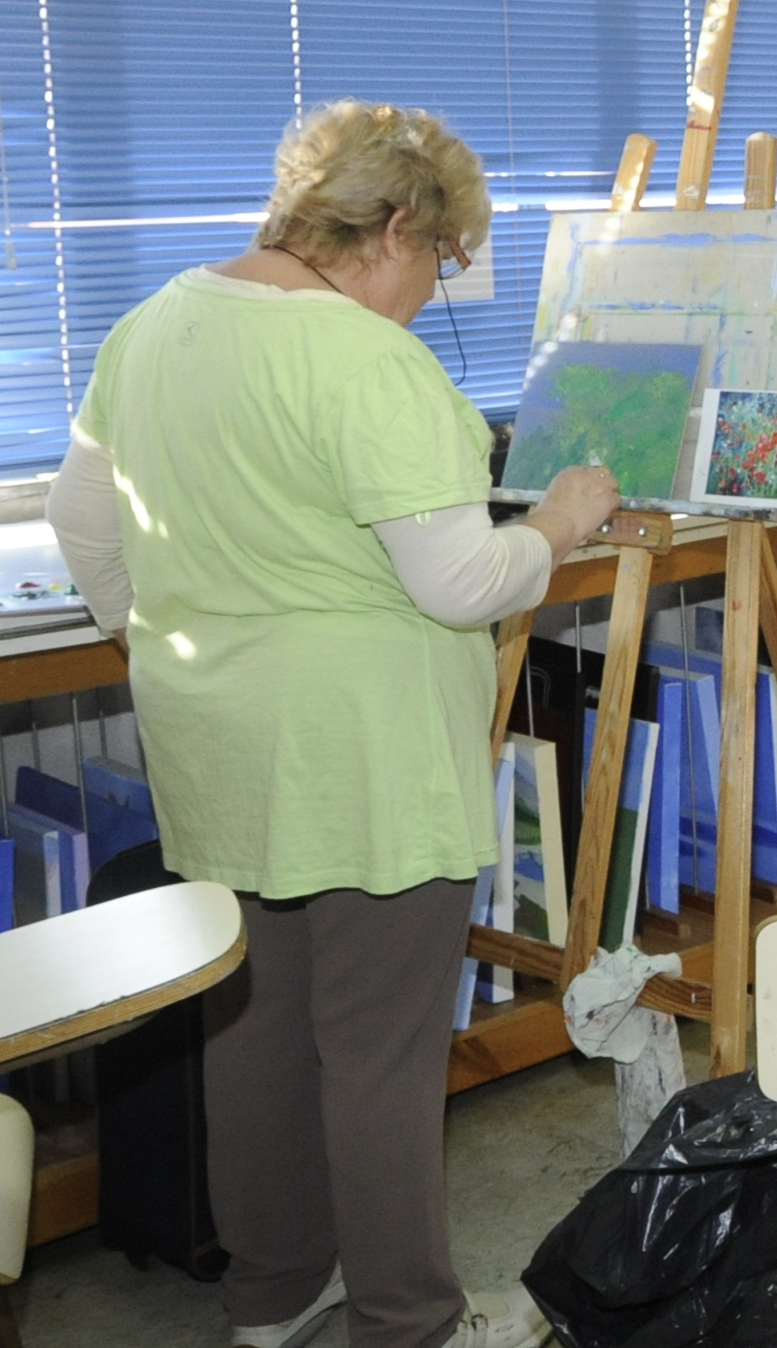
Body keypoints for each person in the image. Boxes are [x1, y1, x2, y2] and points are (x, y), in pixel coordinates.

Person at [48, 102, 621, 1348]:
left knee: (251, 1030)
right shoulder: (368, 363)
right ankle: (410, 1323)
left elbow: (82, 519)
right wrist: (562, 521)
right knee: (380, 1054)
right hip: (365, 759)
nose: (431, 291)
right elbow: (459, 583)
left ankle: (273, 1297)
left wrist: (159, 639)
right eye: (443, 260)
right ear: (395, 226)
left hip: (217, 747)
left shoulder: (155, 324)